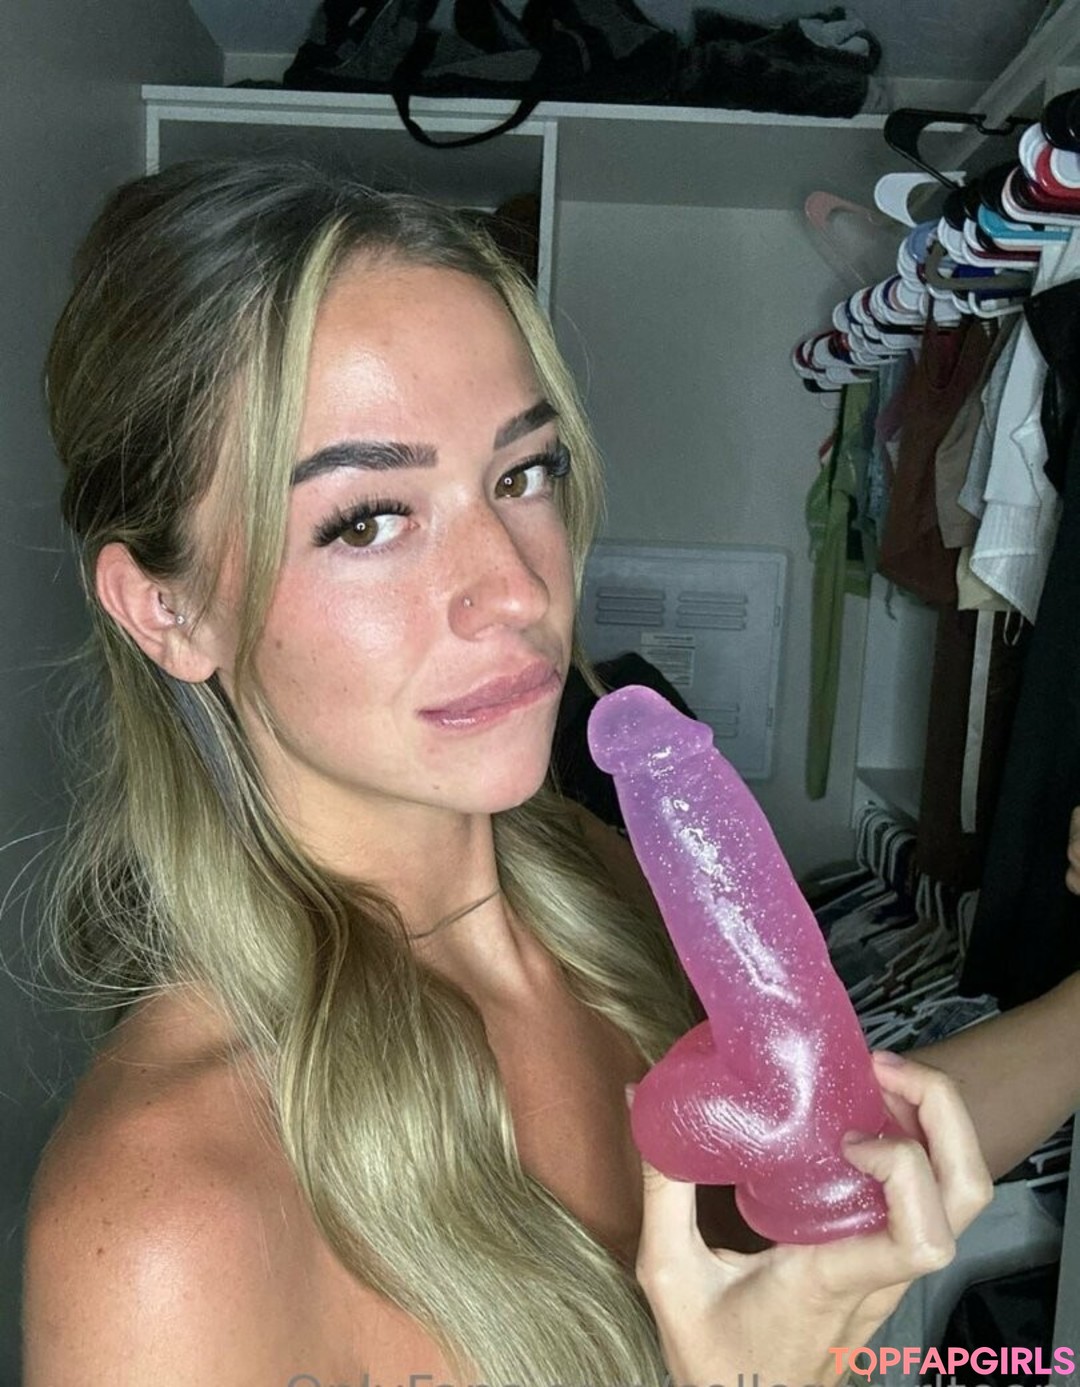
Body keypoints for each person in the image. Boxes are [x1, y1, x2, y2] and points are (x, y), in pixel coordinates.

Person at [20, 159, 1003, 1387]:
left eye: (522, 473)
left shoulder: (594, 883)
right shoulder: (162, 1226)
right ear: (168, 611)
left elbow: (848, 1127)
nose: (519, 589)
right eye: (367, 518)